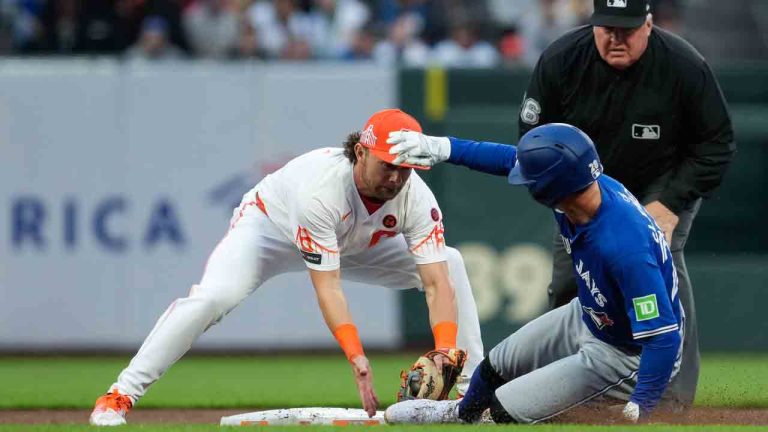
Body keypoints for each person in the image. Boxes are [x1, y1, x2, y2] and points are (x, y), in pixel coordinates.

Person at [88, 109, 484, 426]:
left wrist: (446, 351)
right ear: (360, 153)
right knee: (212, 299)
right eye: (387, 165)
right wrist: (357, 357)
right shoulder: (322, 191)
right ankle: (118, 395)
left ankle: (472, 394)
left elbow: (435, 283)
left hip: (353, 241)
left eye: (406, 168)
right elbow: (328, 287)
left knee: (451, 262)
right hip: (269, 231)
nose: (396, 177)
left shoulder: (415, 196)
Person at [383, 122, 683, 424]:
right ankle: (459, 414)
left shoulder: (623, 246)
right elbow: (504, 159)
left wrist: (640, 407)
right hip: (589, 314)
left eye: (531, 179)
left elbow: (663, 339)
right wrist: (443, 148)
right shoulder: (577, 187)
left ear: (550, 187)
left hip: (627, 353)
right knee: (492, 370)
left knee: (502, 411)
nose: (524, 181)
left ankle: (573, 413)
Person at [517, 0, 735, 407]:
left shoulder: (683, 66)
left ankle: (672, 400)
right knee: (569, 283)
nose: (616, 37)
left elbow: (716, 144)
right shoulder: (563, 60)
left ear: (649, 25)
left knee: (664, 266)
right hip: (586, 188)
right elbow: (533, 138)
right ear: (593, 24)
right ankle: (564, 396)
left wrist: (670, 203)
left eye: (628, 28)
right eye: (607, 28)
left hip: (661, 184)